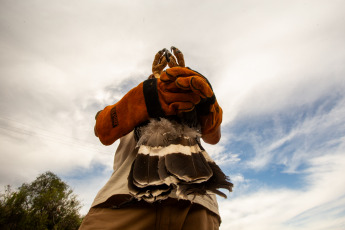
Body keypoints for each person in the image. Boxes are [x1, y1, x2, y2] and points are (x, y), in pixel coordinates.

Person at [79, 47, 233, 230]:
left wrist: (198, 97)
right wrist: (150, 90)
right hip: (125, 198)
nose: (163, 81)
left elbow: (213, 137)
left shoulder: (189, 102)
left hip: (196, 199)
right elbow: (101, 130)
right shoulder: (129, 105)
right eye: (157, 80)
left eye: (169, 80)